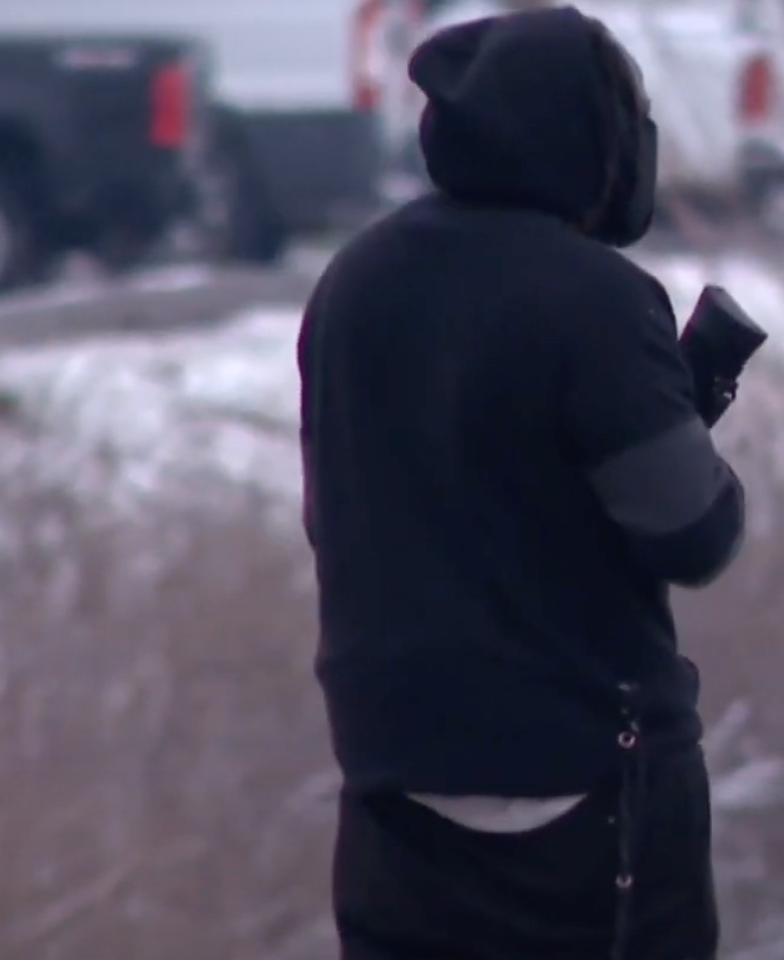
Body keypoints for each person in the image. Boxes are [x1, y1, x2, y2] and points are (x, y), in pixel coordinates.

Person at [295, 6, 747, 959]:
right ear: (601, 148)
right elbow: (691, 531)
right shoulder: (597, 299)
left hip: (391, 791)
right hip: (583, 801)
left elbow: (452, 489)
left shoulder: (356, 280)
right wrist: (682, 420)